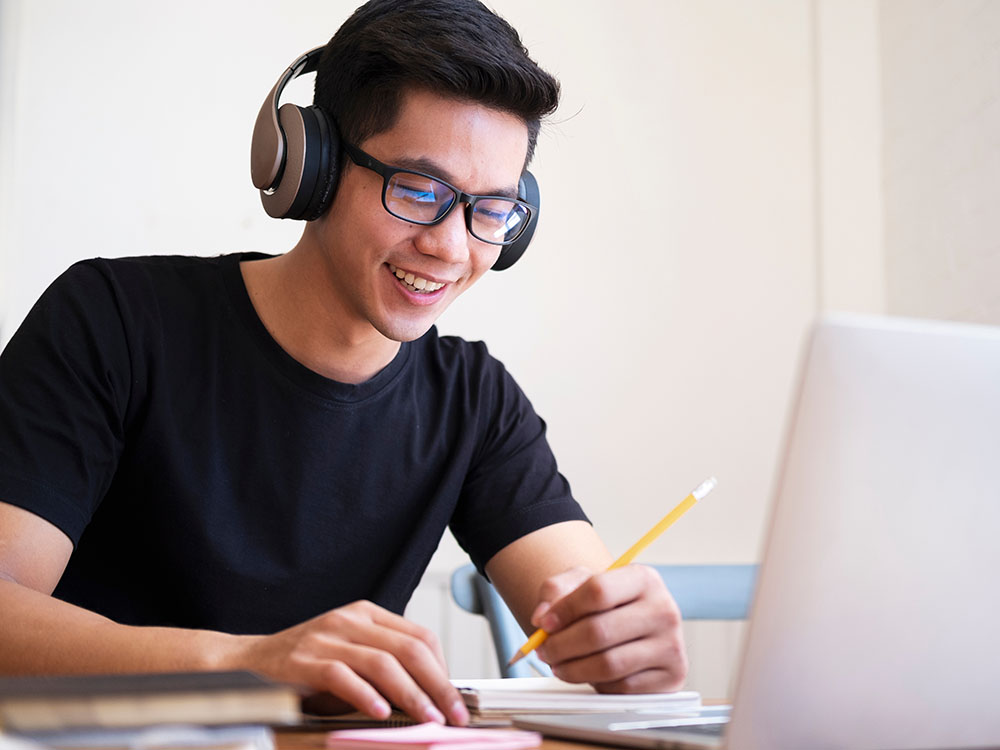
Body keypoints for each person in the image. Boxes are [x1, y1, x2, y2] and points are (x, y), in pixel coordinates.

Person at [0, 0, 686, 726]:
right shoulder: (112, 319)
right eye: (418, 190)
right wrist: (247, 666)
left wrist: (626, 642)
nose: (452, 249)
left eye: (491, 209)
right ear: (312, 169)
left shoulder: (474, 400)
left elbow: (579, 599)